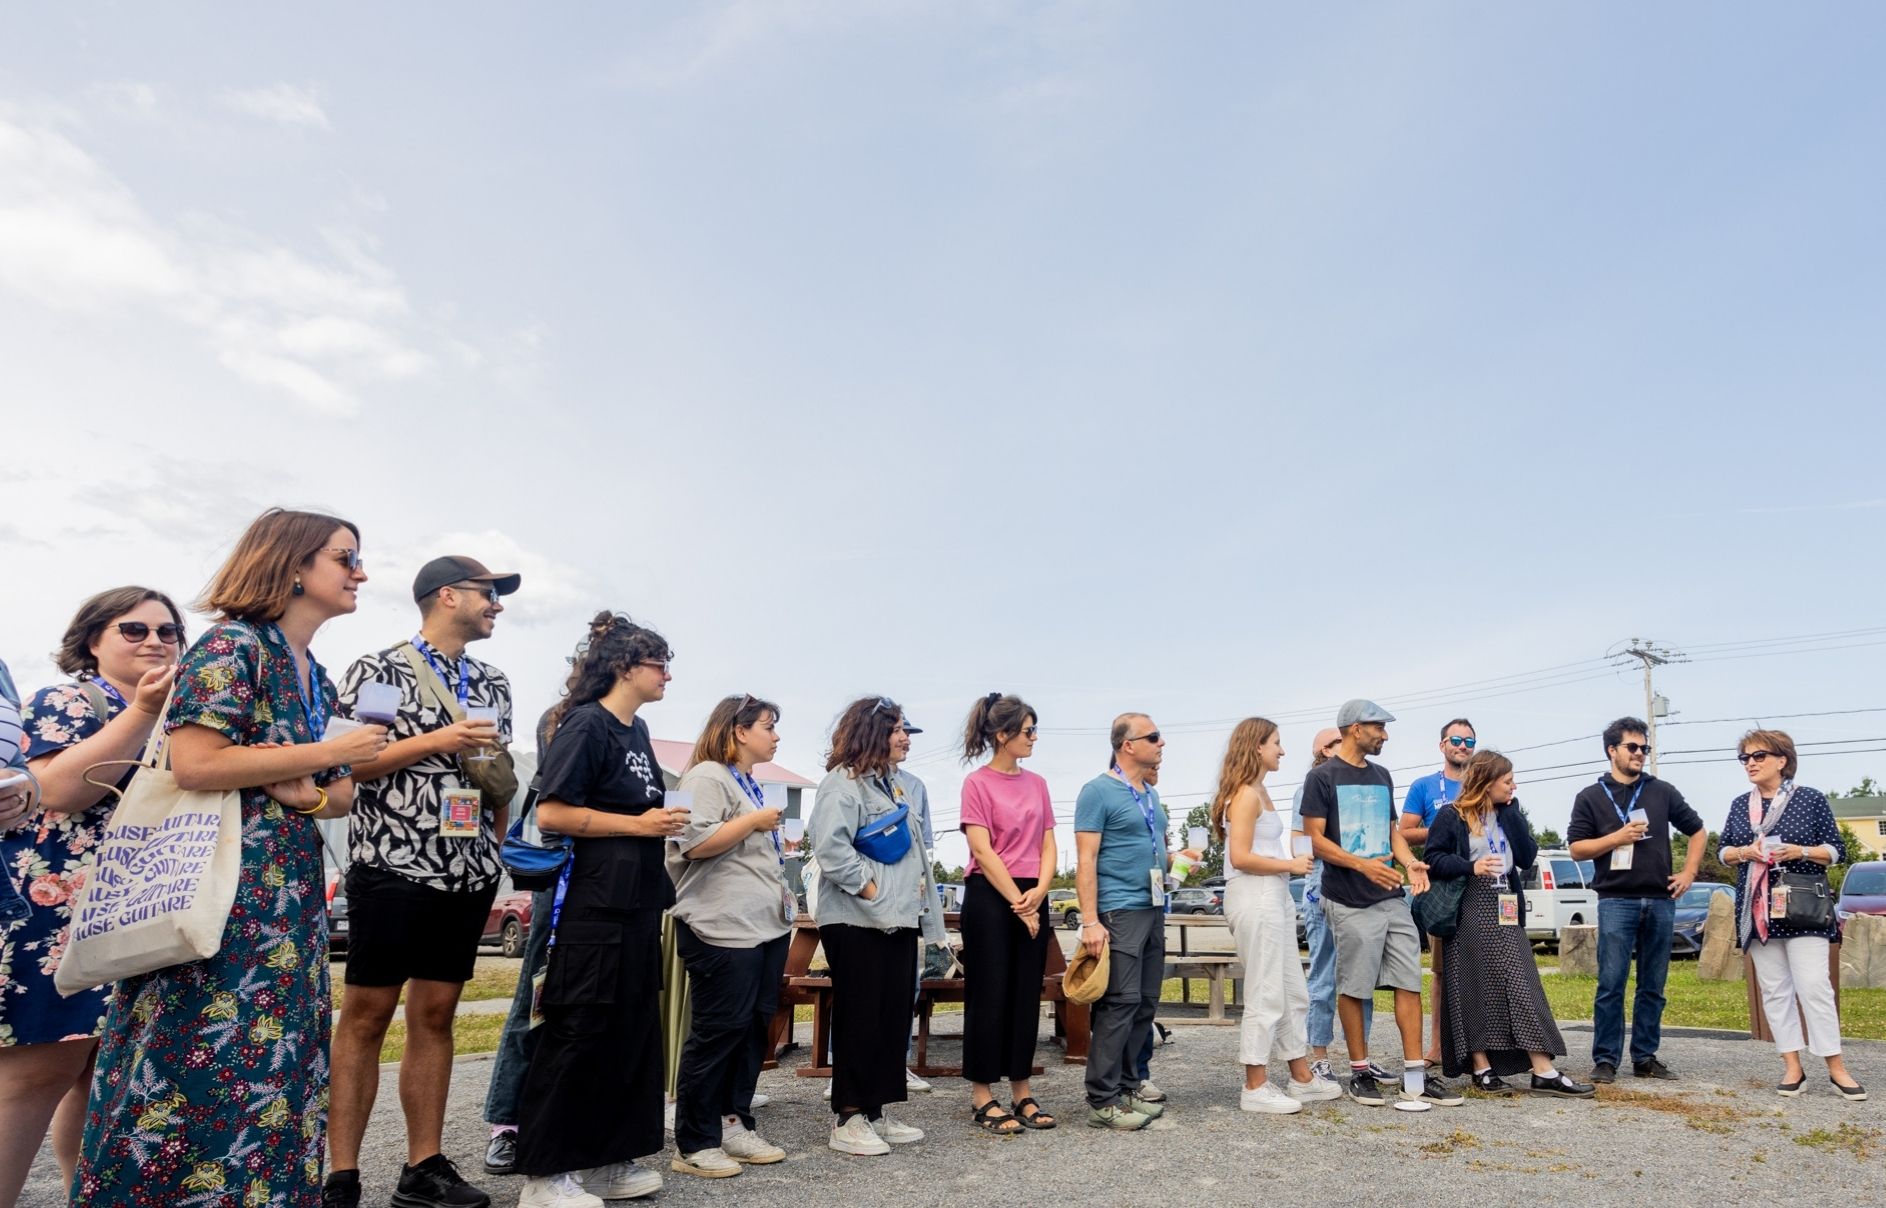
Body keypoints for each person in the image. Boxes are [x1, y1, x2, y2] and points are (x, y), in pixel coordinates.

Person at [73, 509, 390, 1207]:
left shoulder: (319, 673)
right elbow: (195, 761)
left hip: (287, 901)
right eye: (346, 557)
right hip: (218, 897)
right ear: (295, 564)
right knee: (194, 1070)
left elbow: (334, 800)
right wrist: (324, 755)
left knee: (275, 1073)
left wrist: (304, 784)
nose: (360, 572)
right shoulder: (230, 647)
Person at [326, 556, 522, 1208]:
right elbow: (356, 761)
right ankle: (342, 1176)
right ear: (446, 596)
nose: (495, 604)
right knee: (366, 1015)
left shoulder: (493, 682)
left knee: (436, 1015)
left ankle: (423, 1169)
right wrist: (443, 737)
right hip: (390, 865)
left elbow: (497, 778)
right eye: (487, 594)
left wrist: (491, 845)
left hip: (464, 873)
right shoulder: (380, 671)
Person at [0, 588, 184, 1205]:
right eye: (133, 629)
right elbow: (56, 790)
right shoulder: (68, 698)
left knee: (99, 1074)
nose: (154, 640)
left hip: (129, 907)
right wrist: (140, 713)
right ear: (92, 642)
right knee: (38, 1072)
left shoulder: (182, 714)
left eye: (167, 630)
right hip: (59, 905)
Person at [511, 613, 681, 1208]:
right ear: (625, 666)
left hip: (636, 908)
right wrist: (637, 825)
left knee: (629, 1035)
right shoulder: (586, 725)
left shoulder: (637, 733)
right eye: (659, 663)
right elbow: (554, 814)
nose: (667, 675)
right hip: (591, 907)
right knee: (578, 1034)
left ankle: (609, 1159)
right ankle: (545, 1175)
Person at [1298, 699, 1458, 1111]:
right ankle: (1360, 1071)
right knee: (1354, 985)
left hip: (1392, 896)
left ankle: (1414, 1077)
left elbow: (1392, 832)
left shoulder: (1382, 775)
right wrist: (1361, 866)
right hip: (1347, 898)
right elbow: (1313, 840)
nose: (1385, 735)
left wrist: (1410, 863)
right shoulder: (1322, 778)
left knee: (1409, 981)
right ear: (1354, 728)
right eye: (1378, 727)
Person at [665, 695, 795, 1177]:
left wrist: (767, 833)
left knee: (751, 1028)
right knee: (718, 1031)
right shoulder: (703, 776)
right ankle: (695, 1143)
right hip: (721, 926)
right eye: (768, 726)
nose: (776, 735)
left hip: (763, 925)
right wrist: (753, 823)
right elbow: (691, 844)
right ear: (739, 731)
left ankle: (733, 1121)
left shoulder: (748, 782)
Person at [1425, 751, 1592, 1097]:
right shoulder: (1451, 815)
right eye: (1507, 780)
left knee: (1522, 979)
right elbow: (1434, 859)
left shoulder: (1508, 813)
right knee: (1471, 983)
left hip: (1506, 904)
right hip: (1470, 901)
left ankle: (1542, 1068)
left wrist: (1511, 812)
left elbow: (1528, 856)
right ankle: (1481, 1066)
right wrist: (1471, 867)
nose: (1514, 785)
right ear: (1487, 782)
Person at [807, 697, 931, 1155]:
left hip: (898, 920)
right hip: (857, 920)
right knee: (861, 1016)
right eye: (897, 729)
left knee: (891, 1014)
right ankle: (849, 1117)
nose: (905, 737)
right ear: (870, 732)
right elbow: (830, 848)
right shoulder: (843, 784)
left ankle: (877, 1110)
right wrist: (870, 889)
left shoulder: (893, 787)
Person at [1719, 730, 1865, 1101]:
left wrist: (1799, 850)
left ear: (1782, 760)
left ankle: (1836, 1068)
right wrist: (1743, 853)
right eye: (1745, 758)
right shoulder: (1740, 805)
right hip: (1757, 909)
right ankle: (1792, 1067)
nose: (1750, 763)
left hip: (1802, 908)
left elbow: (1836, 850)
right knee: (1774, 991)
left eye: (1759, 756)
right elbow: (1723, 852)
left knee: (1815, 987)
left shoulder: (1810, 799)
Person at [1211, 718, 1340, 1114]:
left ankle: (1301, 1077)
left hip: (1276, 896)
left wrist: (1287, 868)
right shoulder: (1245, 795)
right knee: (1265, 991)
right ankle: (1255, 1085)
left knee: (1292, 990)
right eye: (1276, 743)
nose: (1282, 750)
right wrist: (1290, 864)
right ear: (1256, 747)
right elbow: (1240, 857)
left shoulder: (1260, 790)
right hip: (1254, 896)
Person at [1567, 716, 1705, 1083]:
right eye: (1633, 747)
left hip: (1660, 899)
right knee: (1611, 983)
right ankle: (1606, 1060)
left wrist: (1689, 873)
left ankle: (1645, 1057)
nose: (1641, 753)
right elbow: (1577, 849)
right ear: (1612, 750)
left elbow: (1698, 830)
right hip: (1616, 900)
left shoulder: (1662, 792)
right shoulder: (1591, 797)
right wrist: (1617, 837)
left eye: (1645, 748)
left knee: (1653, 985)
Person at [957, 692, 1057, 1134]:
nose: (1035, 738)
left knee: (1024, 993)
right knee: (990, 992)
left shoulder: (1037, 783)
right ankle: (983, 1093)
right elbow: (981, 847)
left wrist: (1039, 891)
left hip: (1034, 891)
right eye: (1028, 730)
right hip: (990, 895)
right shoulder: (976, 783)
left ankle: (1022, 1090)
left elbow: (1050, 841)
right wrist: (1018, 903)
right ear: (1002, 735)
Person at [1074, 713, 1171, 1130]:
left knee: (1145, 1002)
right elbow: (1085, 860)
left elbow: (1153, 849)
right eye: (1152, 737)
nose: (1161, 742)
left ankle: (1130, 1085)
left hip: (1152, 908)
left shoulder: (1149, 794)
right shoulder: (1097, 792)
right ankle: (1102, 1099)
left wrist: (1177, 861)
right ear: (1127, 745)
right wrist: (1091, 921)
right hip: (1119, 910)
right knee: (1120, 1002)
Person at [482, 708, 559, 1177]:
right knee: (534, 999)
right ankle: (506, 1124)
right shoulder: (565, 717)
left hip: (607, 882)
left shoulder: (628, 724)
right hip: (560, 877)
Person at [1292, 728, 1382, 1082]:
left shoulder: (1362, 788)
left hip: (1360, 889)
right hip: (1322, 887)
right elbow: (1300, 840)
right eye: (1333, 743)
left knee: (1363, 976)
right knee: (1325, 974)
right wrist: (1308, 872)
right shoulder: (1312, 785)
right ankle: (1319, 1056)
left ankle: (1362, 1057)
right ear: (1322, 750)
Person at [1400, 718, 1474, 1068]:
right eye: (1456, 739)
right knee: (1442, 971)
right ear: (1442, 745)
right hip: (1444, 887)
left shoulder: (1483, 782)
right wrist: (1445, 827)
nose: (1462, 746)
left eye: (1469, 741)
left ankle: (1482, 1048)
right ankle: (1437, 1047)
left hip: (1480, 887)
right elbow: (1404, 833)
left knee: (1482, 966)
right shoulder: (1425, 786)